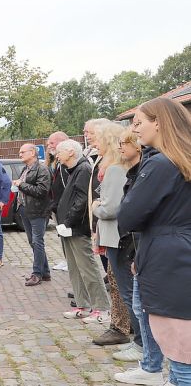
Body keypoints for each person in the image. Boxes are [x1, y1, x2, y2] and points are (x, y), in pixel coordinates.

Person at [118, 98, 191, 386]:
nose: (135, 130)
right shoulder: (180, 159)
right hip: (178, 255)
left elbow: (128, 216)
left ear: (158, 122)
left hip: (169, 260)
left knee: (181, 359)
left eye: (139, 122)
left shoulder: (161, 163)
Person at [54, 139, 110, 320]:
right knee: (74, 268)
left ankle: (101, 307)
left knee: (87, 268)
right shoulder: (73, 170)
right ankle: (82, 304)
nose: (57, 155)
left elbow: (81, 201)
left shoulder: (83, 169)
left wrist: (68, 222)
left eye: (60, 151)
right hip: (68, 228)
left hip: (77, 228)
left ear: (71, 152)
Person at [88, 122, 131, 346]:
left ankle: (120, 327)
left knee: (118, 283)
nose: (96, 144)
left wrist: (96, 207)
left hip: (115, 235)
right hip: (117, 234)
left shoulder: (114, 169)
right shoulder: (119, 166)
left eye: (99, 139)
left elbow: (111, 208)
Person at [108, 128, 146, 363]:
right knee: (131, 295)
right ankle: (141, 342)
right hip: (127, 239)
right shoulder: (132, 172)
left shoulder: (146, 170)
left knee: (135, 295)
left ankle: (143, 344)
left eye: (124, 143)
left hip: (134, 241)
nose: (120, 147)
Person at [12, 143, 52, 286]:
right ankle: (45, 272)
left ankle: (36, 274)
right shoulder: (26, 168)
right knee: (33, 242)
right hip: (25, 209)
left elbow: (42, 191)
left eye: (23, 152)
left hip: (38, 211)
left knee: (37, 241)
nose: (20, 154)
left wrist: (21, 184)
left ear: (33, 153)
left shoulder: (42, 169)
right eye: (20, 152)